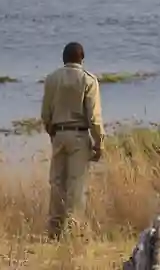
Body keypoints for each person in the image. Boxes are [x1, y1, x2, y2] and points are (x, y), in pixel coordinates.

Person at [40, 41, 105, 240]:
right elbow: (93, 117)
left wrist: (52, 132)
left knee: (57, 183)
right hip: (79, 135)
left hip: (58, 134)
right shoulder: (89, 80)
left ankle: (54, 230)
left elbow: (45, 113)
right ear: (82, 59)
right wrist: (99, 142)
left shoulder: (52, 79)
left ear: (64, 59)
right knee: (76, 186)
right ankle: (73, 231)